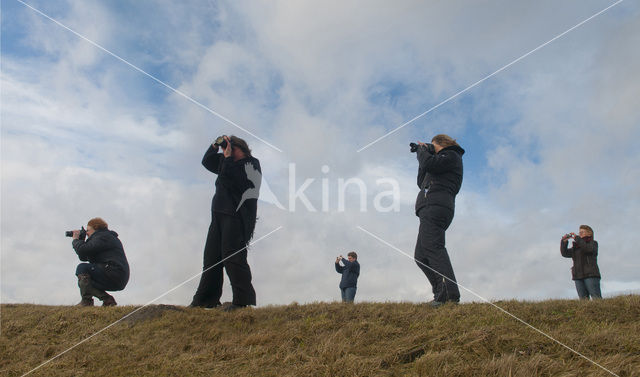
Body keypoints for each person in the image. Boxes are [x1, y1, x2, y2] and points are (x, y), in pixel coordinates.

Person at [190, 135, 261, 312]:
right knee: (211, 258)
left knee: (233, 257)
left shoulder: (252, 164)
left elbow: (234, 181)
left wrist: (228, 159)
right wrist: (215, 145)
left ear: (239, 148)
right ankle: (206, 299)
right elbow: (207, 161)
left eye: (229, 148)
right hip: (218, 216)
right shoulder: (225, 161)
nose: (225, 151)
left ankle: (242, 300)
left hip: (237, 216)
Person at [413, 134, 464, 307]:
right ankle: (440, 294)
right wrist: (423, 154)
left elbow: (428, 163)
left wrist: (422, 151)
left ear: (440, 144)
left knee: (433, 248)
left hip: (436, 206)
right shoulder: (439, 162)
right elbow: (421, 181)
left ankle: (450, 295)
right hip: (430, 207)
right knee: (421, 256)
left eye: (432, 145)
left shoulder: (451, 156)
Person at [72, 217, 130, 306]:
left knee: (82, 268)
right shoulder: (102, 238)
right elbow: (83, 256)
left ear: (96, 228)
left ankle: (87, 301)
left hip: (113, 272)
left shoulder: (103, 237)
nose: (86, 233)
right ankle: (107, 300)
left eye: (88, 230)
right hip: (115, 275)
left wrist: (76, 240)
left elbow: (83, 249)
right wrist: (81, 240)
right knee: (86, 279)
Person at [560, 225, 601, 300]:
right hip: (578, 276)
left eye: (582, 232)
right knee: (583, 301)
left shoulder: (593, 243)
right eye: (579, 232)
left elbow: (587, 249)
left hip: (591, 275)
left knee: (596, 298)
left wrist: (577, 238)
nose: (580, 234)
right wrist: (564, 242)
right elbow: (564, 253)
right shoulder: (575, 248)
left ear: (589, 234)